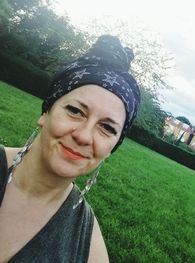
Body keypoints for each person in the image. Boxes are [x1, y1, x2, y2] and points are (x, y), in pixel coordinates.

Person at [0, 35, 141, 262]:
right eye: (75, 111)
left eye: (106, 127)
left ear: (113, 147)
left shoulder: (89, 252)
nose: (84, 136)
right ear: (46, 112)